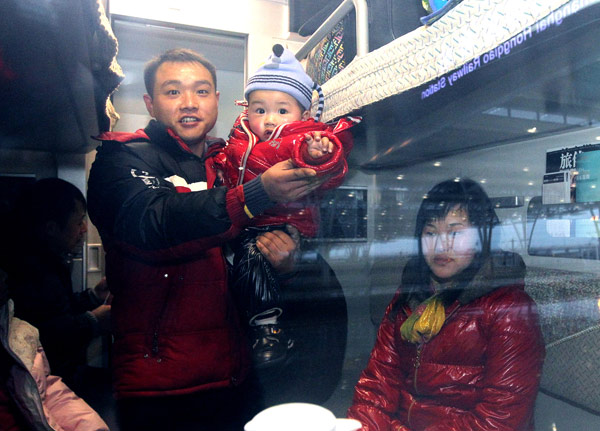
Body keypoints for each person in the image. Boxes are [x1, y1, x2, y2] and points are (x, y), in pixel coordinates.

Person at [87, 48, 325, 431]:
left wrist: (285, 265)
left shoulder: (231, 161)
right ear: (150, 102)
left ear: (217, 100)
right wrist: (256, 192)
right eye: (172, 92)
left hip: (237, 374)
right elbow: (153, 223)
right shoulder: (121, 157)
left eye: (200, 91)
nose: (188, 103)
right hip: (158, 388)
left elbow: (251, 248)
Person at [348, 178, 545, 431]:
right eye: (431, 232)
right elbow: (377, 384)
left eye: (455, 232)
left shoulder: (509, 309)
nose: (441, 245)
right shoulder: (409, 296)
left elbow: (499, 420)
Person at [217, 43, 359, 366]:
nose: (269, 120)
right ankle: (265, 330)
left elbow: (321, 164)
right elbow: (226, 171)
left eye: (282, 110)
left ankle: (268, 328)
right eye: (259, 109)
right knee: (246, 263)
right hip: (248, 222)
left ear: (302, 115)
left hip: (286, 224)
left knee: (252, 258)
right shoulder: (237, 140)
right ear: (246, 109)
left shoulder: (299, 136)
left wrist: (318, 153)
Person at [5, 178, 111, 388]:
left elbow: (58, 311)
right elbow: (47, 336)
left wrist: (93, 296)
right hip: (41, 382)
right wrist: (94, 321)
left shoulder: (48, 260)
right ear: (52, 228)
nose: (84, 230)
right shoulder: (29, 269)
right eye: (79, 221)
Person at [0, 268, 110, 431]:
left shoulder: (18, 335)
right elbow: (55, 332)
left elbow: (46, 390)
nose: (78, 240)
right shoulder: (33, 268)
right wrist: (92, 321)